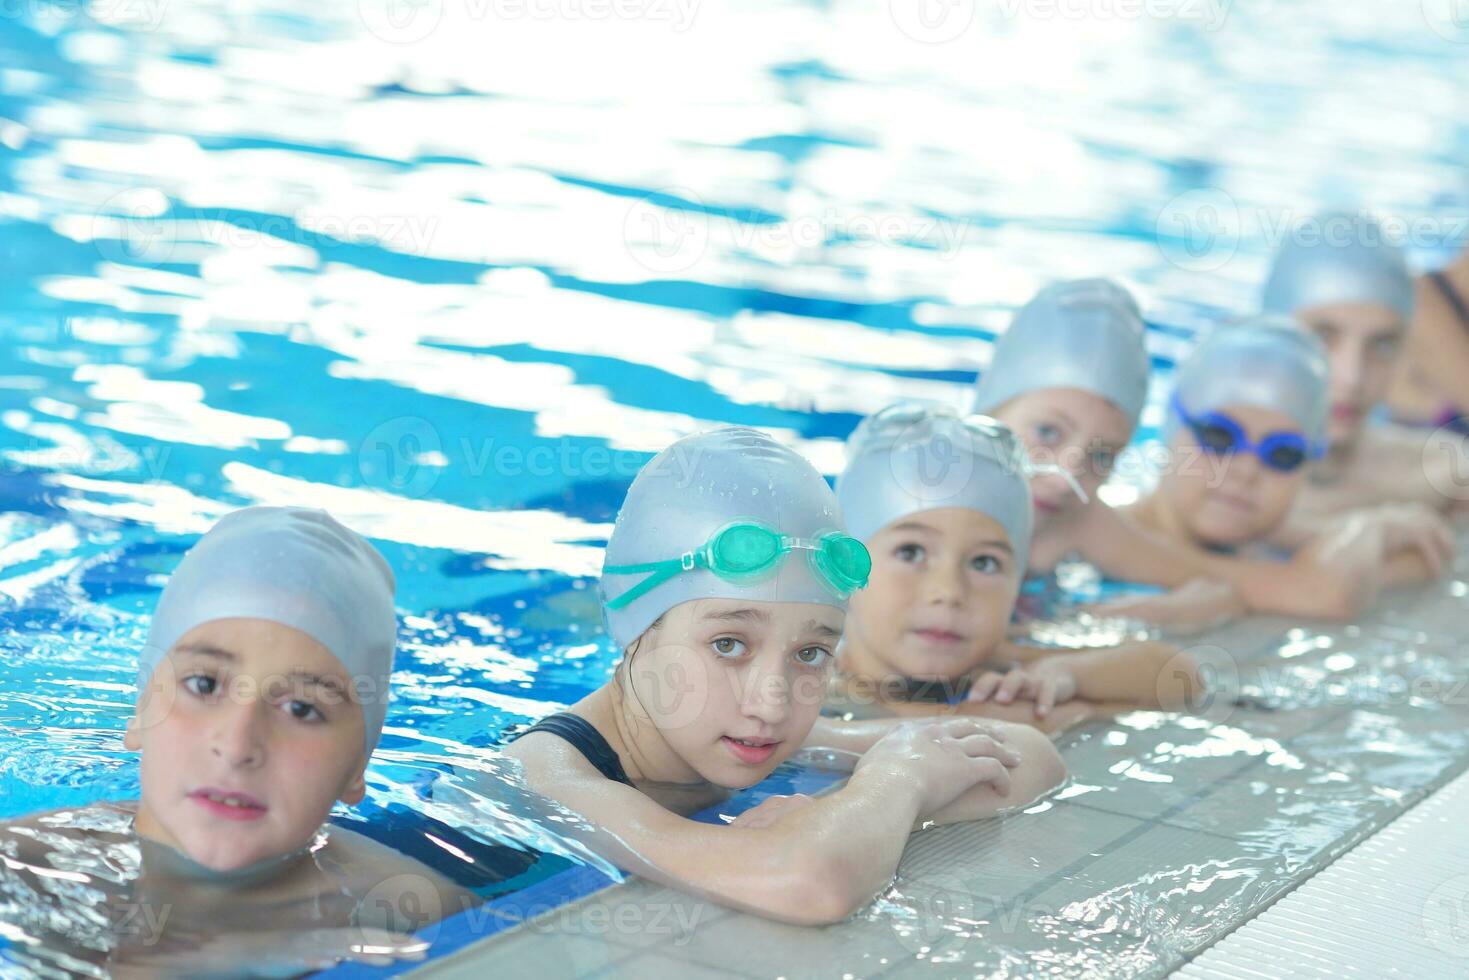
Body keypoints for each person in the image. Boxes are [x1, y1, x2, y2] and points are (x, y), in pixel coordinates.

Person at [501, 427, 1066, 925]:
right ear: (633, 628)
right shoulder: (548, 774)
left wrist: (847, 814)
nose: (771, 703)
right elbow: (810, 884)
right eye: (728, 644)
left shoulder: (734, 733)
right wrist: (895, 783)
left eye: (811, 652)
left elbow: (1031, 754)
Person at [0, 506, 475, 977]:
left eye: (302, 709)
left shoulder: (417, 907)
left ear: (358, 767)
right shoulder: (23, 863)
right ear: (141, 712)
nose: (237, 744)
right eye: (204, 685)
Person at [829, 402, 1201, 731]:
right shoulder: (806, 680)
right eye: (911, 553)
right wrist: (969, 724)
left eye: (984, 563)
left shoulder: (999, 667)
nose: (949, 592)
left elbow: (1180, 674)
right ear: (844, 566)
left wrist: (1065, 676)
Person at [1119, 317, 1451, 621]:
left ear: (1307, 467)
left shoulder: (1267, 547)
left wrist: (1373, 525)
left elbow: (1424, 557)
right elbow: (1329, 591)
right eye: (1220, 438)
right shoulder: (1094, 540)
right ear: (1171, 426)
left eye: (1282, 454)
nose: (1246, 471)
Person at [1260, 210, 1469, 517]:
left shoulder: (1443, 472)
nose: (1352, 376)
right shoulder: (1210, 465)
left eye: (1381, 345)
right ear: (1268, 337)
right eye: (1323, 336)